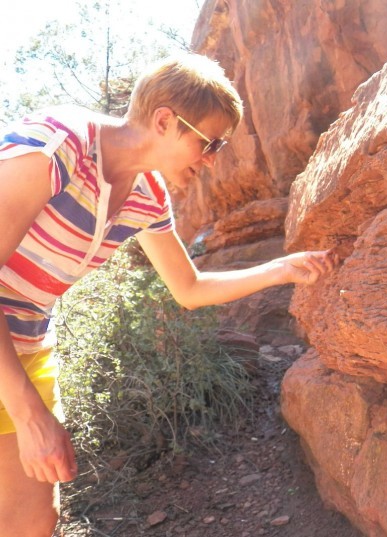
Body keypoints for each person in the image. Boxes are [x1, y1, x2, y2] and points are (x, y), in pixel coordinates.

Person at [0, 53, 337, 537]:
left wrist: (281, 268)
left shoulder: (147, 196)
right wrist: (29, 413)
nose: (213, 159)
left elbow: (189, 287)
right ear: (164, 121)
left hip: (28, 345)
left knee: (32, 522)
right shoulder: (59, 145)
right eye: (210, 142)